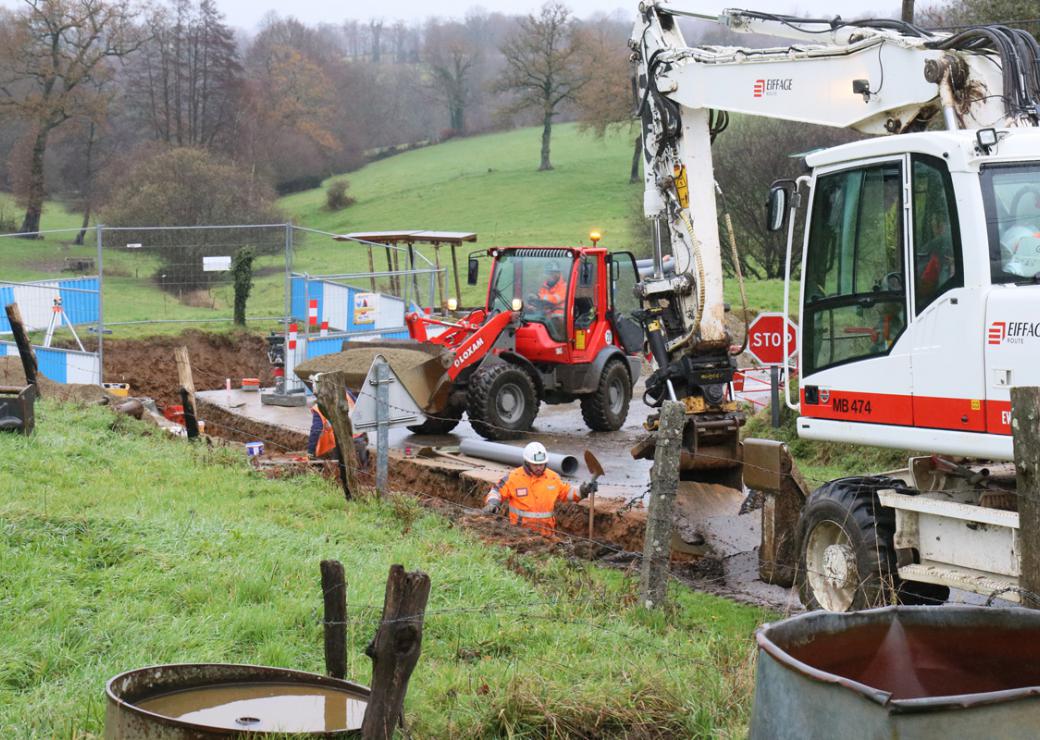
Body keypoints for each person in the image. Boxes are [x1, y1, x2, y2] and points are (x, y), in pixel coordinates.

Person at [482, 441, 597, 537]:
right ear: (527, 463)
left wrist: (583, 490)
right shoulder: (514, 478)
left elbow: (567, 493)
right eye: (535, 465)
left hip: (547, 535)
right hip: (520, 535)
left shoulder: (552, 477)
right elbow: (496, 491)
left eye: (542, 464)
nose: (539, 468)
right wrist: (493, 503)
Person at [308, 391, 370, 469]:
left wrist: (311, 452)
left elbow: (315, 432)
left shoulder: (319, 407)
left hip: (339, 444)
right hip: (358, 438)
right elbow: (359, 411)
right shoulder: (346, 394)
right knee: (362, 470)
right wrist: (365, 435)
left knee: (339, 470)